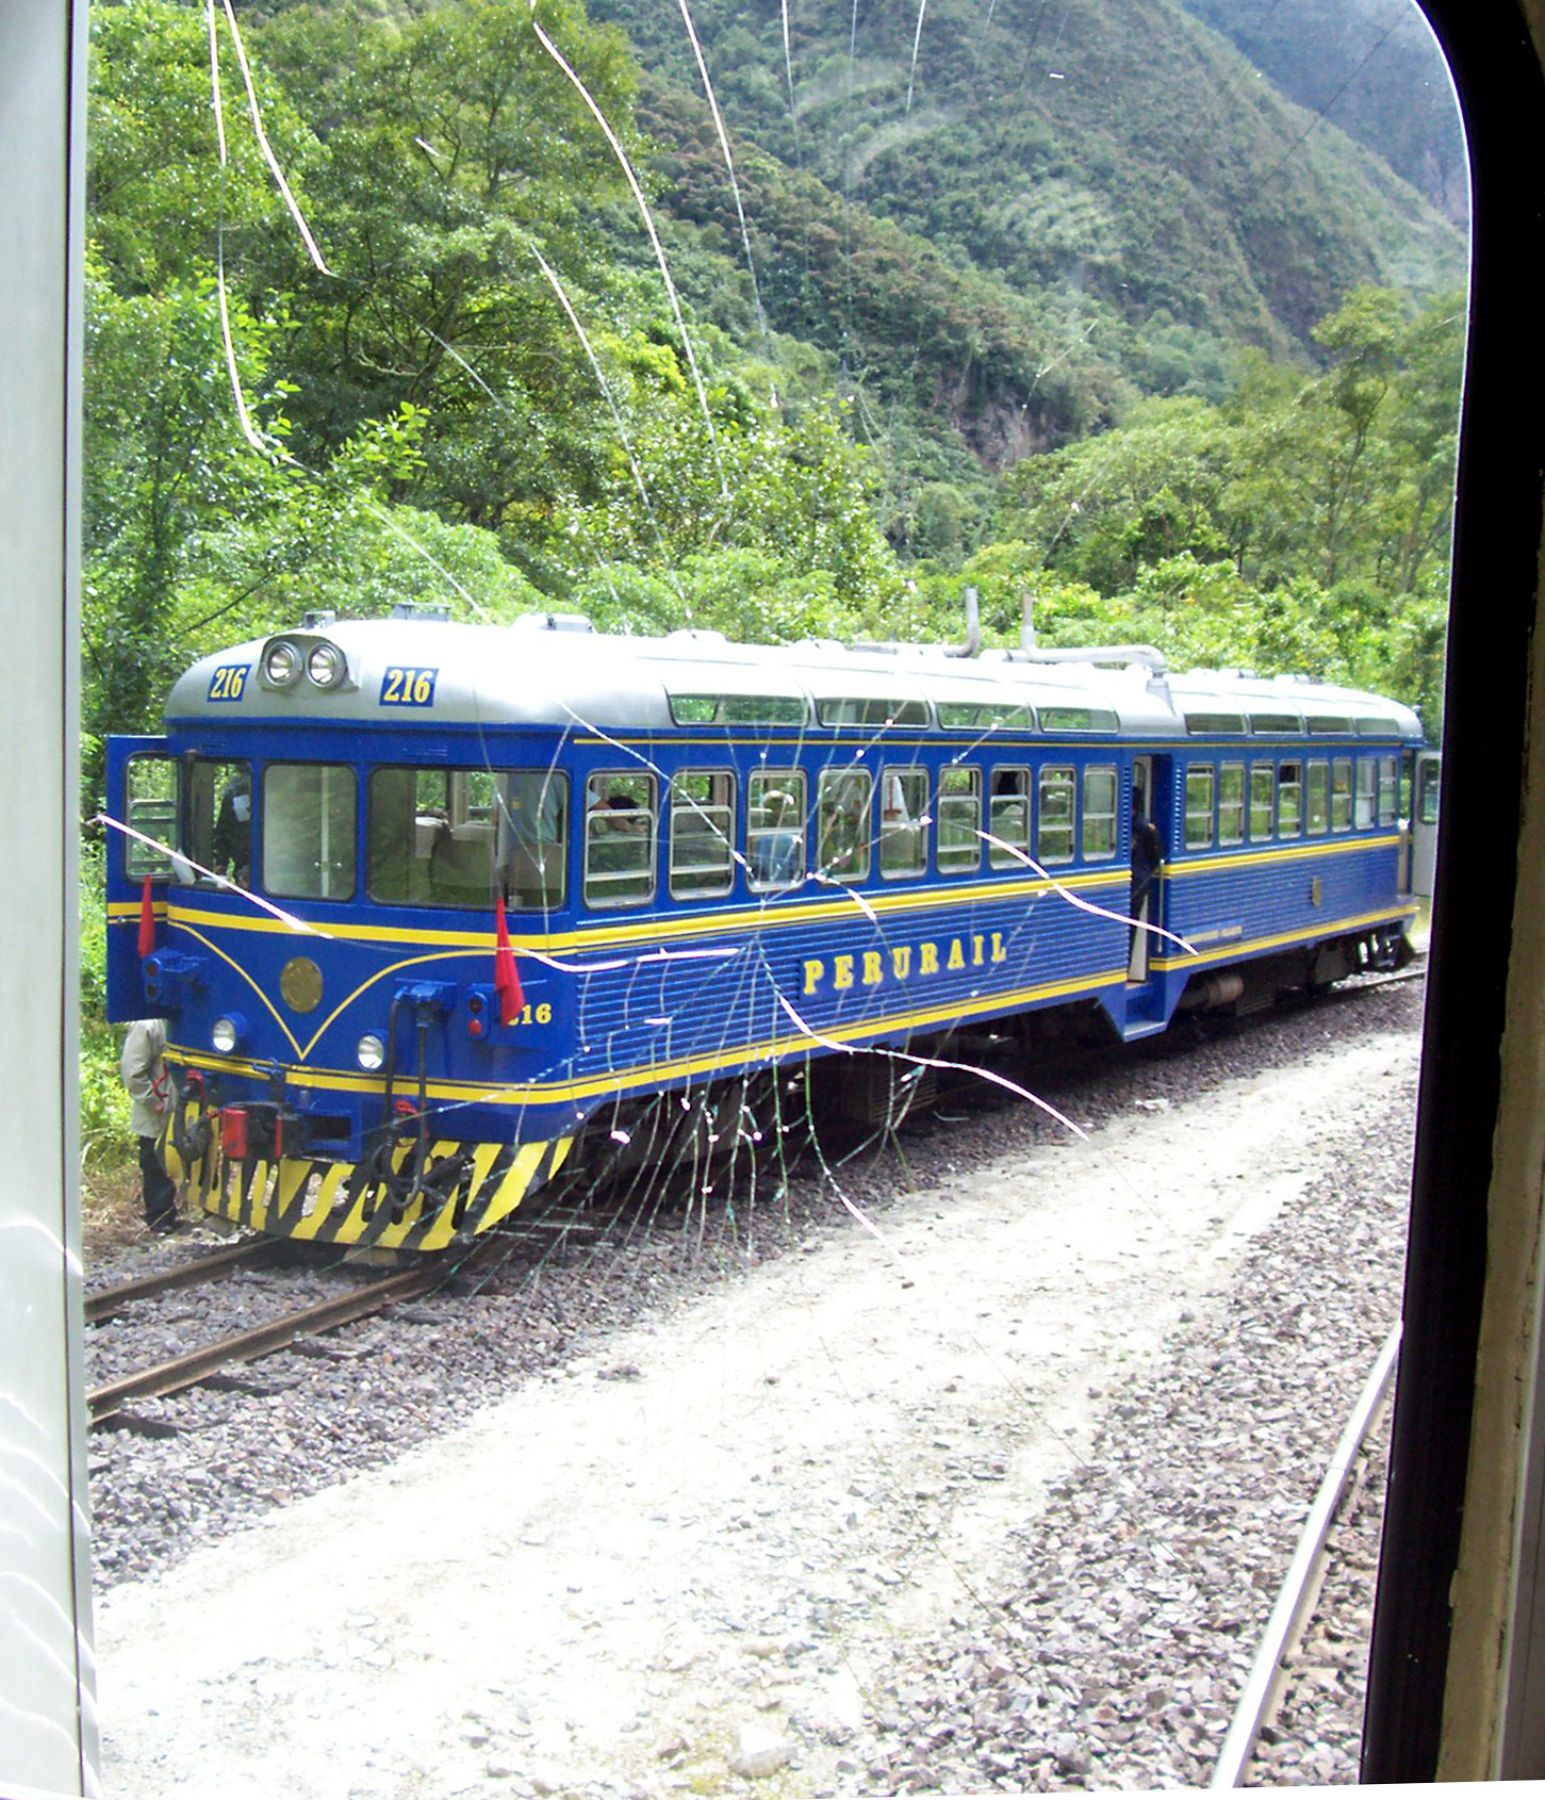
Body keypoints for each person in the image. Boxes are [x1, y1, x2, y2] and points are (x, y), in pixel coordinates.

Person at [122, 1017, 177, 1234]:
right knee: (155, 1164)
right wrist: (153, 1100)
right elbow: (132, 1069)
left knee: (178, 1161)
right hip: (157, 1110)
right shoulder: (148, 1025)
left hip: (177, 1107)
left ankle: (170, 1215)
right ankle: (159, 1218)